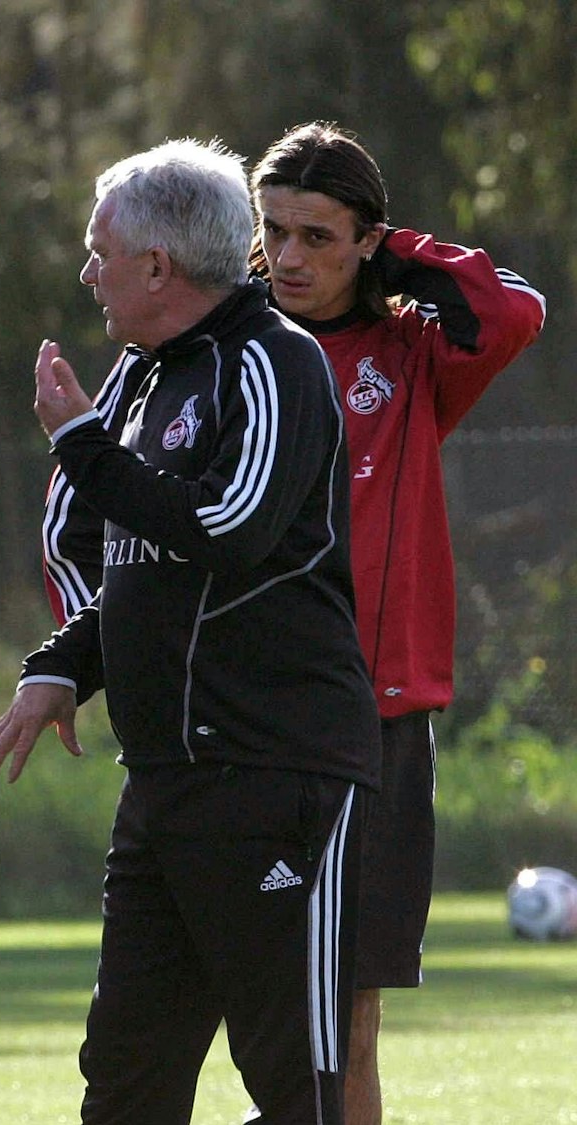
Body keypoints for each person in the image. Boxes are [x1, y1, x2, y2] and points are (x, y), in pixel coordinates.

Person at [0, 139, 380, 1124]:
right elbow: (132, 564)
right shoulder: (137, 378)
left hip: (275, 774)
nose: (85, 272)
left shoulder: (272, 359)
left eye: (97, 249)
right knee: (123, 1085)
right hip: (160, 786)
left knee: (299, 1086)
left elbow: (227, 531)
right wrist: (63, 667)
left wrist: (77, 442)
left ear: (156, 265)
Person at [249, 122, 545, 1125]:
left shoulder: (410, 352)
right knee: (242, 1006)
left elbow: (512, 312)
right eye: (272, 231)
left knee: (347, 1022)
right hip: (246, 723)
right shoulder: (231, 353)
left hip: (373, 725)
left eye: (319, 236)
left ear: (366, 241)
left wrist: (390, 248)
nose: (289, 258)